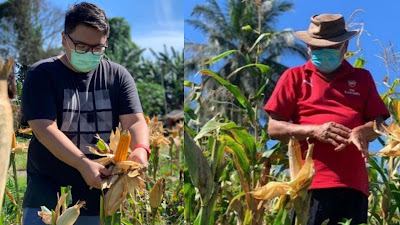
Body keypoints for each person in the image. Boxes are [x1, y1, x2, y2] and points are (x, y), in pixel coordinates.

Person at [20, 2, 150, 224]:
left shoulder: (118, 76)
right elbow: (44, 128)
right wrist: (82, 163)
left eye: (97, 48)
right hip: (47, 190)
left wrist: (140, 149)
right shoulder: (41, 74)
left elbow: (135, 120)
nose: (90, 53)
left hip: (100, 192)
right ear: (64, 39)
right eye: (80, 46)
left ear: (105, 42)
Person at [264, 14, 389, 225]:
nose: (322, 52)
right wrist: (314, 131)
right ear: (308, 47)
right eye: (316, 47)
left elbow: (380, 125)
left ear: (344, 46)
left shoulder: (362, 78)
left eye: (329, 47)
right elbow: (273, 128)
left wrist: (361, 131)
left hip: (354, 187)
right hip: (311, 186)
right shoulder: (294, 77)